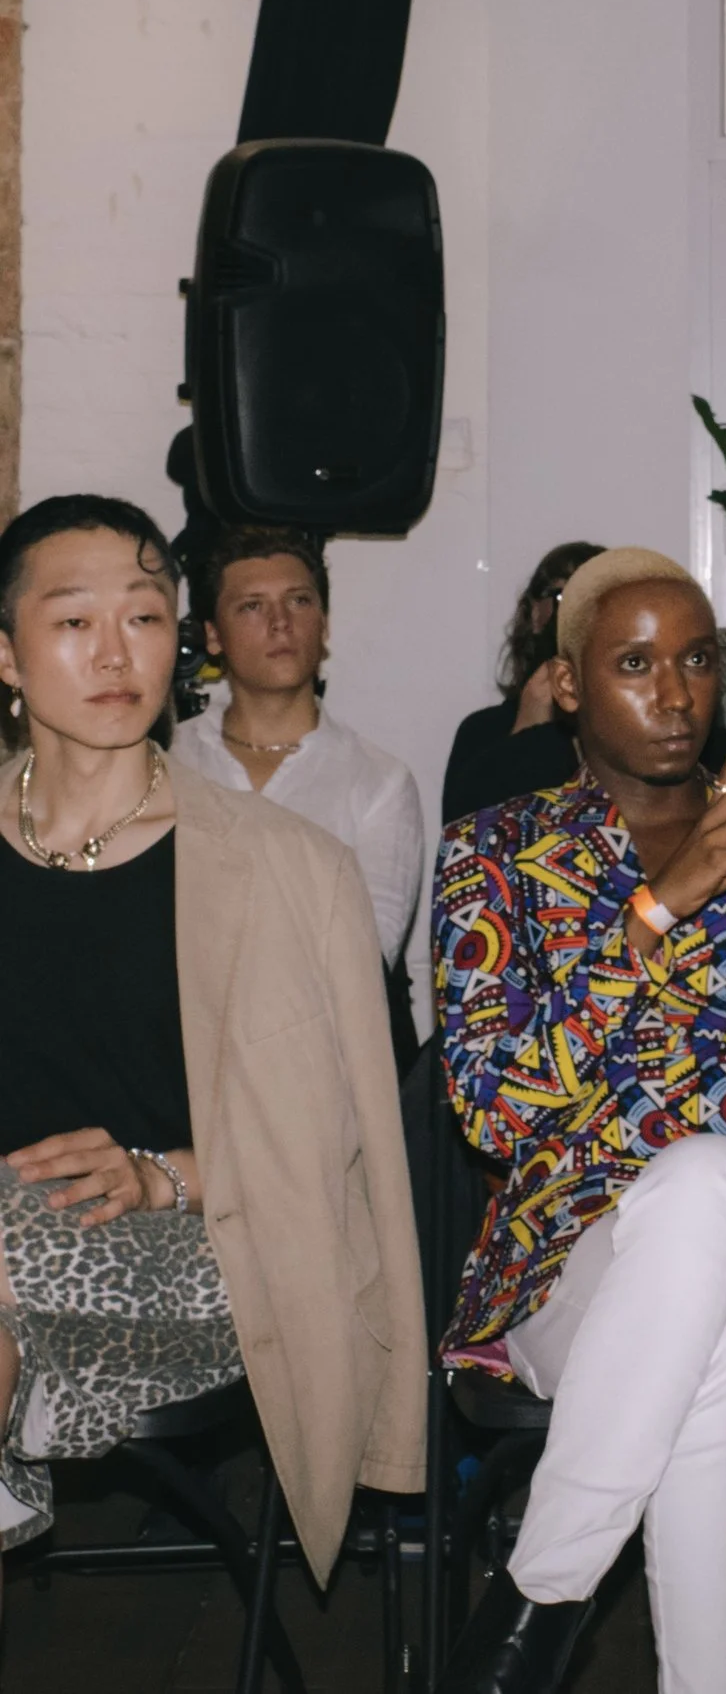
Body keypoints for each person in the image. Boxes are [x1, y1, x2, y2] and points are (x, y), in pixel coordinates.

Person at [433, 547, 726, 1694]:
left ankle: (537, 1595)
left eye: (698, 659)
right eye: (635, 662)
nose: (678, 692)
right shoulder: (493, 855)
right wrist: (662, 900)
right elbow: (495, 1109)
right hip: (573, 1263)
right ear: (567, 685)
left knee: (702, 1179)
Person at [0, 495, 425, 1595]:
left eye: (143, 618)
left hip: (201, 1259)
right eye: (73, 621)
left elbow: (341, 1135)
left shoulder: (290, 867)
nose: (112, 652)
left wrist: (162, 1174)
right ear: (7, 654)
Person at [169, 523, 434, 1048]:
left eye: (299, 601)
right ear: (213, 635)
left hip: (321, 1066)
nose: (280, 623)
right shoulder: (167, 764)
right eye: (251, 606)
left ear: (325, 624)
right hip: (180, 1057)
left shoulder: (378, 780)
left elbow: (365, 957)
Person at [440, 539, 605, 826]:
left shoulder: (634, 725)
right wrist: (526, 737)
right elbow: (463, 846)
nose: (578, 615)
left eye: (596, 599)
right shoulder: (482, 733)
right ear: (533, 613)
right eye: (563, 598)